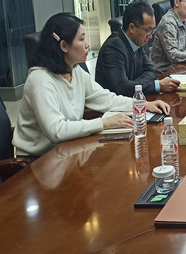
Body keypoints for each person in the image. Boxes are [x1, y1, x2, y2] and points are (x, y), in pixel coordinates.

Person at [13, 13, 170, 157]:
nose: (87, 45)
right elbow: (56, 131)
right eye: (81, 39)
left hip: (68, 150)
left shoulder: (75, 71)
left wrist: (143, 104)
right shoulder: (40, 80)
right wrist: (105, 123)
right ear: (64, 46)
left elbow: (105, 98)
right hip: (38, 161)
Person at [95, 1, 180, 96]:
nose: (150, 36)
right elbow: (122, 88)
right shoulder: (112, 48)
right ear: (132, 28)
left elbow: (151, 71)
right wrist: (157, 85)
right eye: (148, 30)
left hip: (134, 99)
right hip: (114, 104)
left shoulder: (137, 41)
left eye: (152, 30)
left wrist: (134, 85)